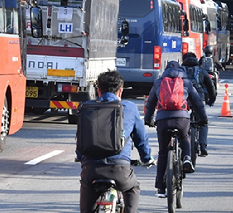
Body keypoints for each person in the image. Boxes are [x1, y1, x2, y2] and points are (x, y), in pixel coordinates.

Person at [78, 70, 154, 213]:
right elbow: (141, 138)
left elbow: (81, 137)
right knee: (133, 187)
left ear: (98, 90)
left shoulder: (86, 107)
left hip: (91, 170)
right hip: (120, 171)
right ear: (120, 90)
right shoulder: (130, 108)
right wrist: (146, 158)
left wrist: (80, 156)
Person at [144, 61, 207, 198]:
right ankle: (187, 158)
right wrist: (203, 119)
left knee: (162, 153)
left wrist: (148, 119)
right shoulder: (186, 81)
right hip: (182, 118)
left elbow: (150, 104)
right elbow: (197, 102)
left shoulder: (159, 82)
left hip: (162, 120)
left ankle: (160, 188)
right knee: (185, 137)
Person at [182, 52, 217, 157]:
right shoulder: (201, 70)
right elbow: (211, 87)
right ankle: (203, 146)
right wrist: (212, 100)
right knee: (203, 122)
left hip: (184, 99)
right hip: (199, 99)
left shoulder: (180, 71)